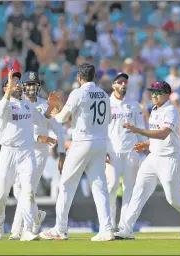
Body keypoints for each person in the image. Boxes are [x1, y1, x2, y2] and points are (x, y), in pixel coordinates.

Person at [115, 81, 180, 240]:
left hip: (170, 158)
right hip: (153, 157)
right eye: (152, 92)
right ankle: (126, 229)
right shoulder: (155, 109)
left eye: (157, 93)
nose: (154, 95)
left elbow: (164, 134)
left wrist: (138, 130)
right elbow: (157, 135)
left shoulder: (171, 110)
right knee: (139, 191)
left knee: (173, 198)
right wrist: (146, 144)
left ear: (167, 94)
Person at [39, 63, 114, 241]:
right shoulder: (104, 94)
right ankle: (107, 229)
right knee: (100, 187)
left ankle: (60, 229)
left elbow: (62, 118)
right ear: (94, 76)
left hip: (82, 142)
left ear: (79, 78)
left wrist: (55, 111)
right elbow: (108, 119)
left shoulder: (78, 93)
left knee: (65, 184)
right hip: (100, 143)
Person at [0, 70, 56, 241]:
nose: (18, 86)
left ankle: (28, 230)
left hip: (27, 153)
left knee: (28, 192)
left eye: (18, 83)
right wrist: (9, 82)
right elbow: (2, 107)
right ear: (6, 88)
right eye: (13, 84)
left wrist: (51, 107)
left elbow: (43, 119)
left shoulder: (28, 105)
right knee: (2, 195)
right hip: (9, 153)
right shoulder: (3, 105)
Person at [9, 71, 67, 240]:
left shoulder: (45, 105)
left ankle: (17, 230)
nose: (31, 88)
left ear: (38, 86)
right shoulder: (17, 105)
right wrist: (36, 136)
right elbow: (18, 130)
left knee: (28, 188)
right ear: (23, 86)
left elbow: (59, 130)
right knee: (18, 189)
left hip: (39, 152)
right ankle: (37, 215)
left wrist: (62, 152)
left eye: (34, 85)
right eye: (28, 84)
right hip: (22, 150)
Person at [106, 72, 145, 232]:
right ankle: (108, 224)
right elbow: (102, 129)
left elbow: (141, 128)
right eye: (119, 82)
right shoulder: (106, 103)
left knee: (130, 188)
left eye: (125, 82)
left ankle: (124, 226)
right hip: (112, 151)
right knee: (112, 186)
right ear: (113, 85)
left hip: (131, 150)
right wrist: (104, 150)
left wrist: (143, 144)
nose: (123, 85)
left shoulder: (134, 104)